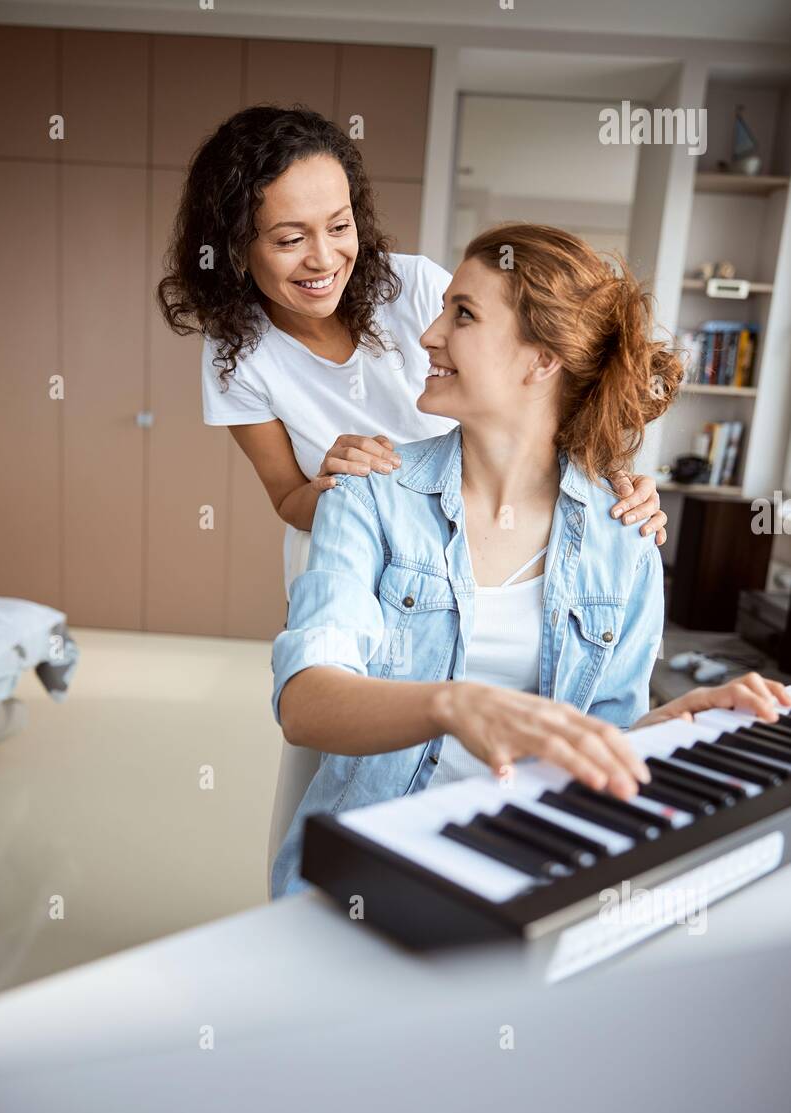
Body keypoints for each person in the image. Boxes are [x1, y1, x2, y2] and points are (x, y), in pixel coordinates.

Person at [156, 106, 669, 870]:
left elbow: (532, 389)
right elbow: (288, 497)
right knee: (343, 764)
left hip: (486, 500)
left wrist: (603, 481)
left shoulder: (415, 287)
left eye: (338, 226)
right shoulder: (241, 359)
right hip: (361, 527)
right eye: (289, 238)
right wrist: (341, 480)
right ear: (236, 248)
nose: (323, 256)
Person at [269, 222, 790, 897]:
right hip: (365, 876)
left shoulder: (624, 536)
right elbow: (306, 702)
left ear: (542, 359)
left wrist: (681, 724)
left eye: (463, 314)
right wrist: (457, 705)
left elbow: (601, 739)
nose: (428, 336)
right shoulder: (369, 494)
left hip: (527, 870)